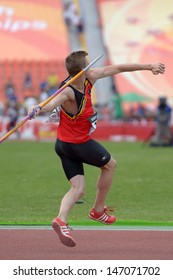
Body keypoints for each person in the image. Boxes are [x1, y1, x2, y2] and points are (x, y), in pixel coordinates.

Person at [28, 50, 165, 247]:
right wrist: (38, 108)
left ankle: (60, 220)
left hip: (63, 145)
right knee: (110, 165)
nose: (91, 66)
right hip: (78, 144)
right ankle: (97, 210)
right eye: (88, 63)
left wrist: (149, 66)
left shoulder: (89, 78)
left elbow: (117, 68)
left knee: (78, 189)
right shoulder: (67, 91)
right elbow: (50, 104)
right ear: (82, 70)